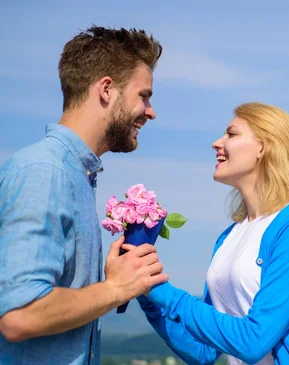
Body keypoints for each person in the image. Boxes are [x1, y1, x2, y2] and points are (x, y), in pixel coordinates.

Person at [0, 26, 168, 365]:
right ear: (107, 89)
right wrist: (116, 288)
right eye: (144, 96)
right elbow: (20, 314)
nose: (150, 111)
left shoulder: (75, 176)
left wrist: (109, 281)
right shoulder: (45, 173)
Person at [137, 102, 289, 365]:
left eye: (231, 134)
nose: (216, 143)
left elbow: (253, 340)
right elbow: (203, 351)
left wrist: (162, 291)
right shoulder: (227, 238)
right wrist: (147, 295)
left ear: (264, 146)